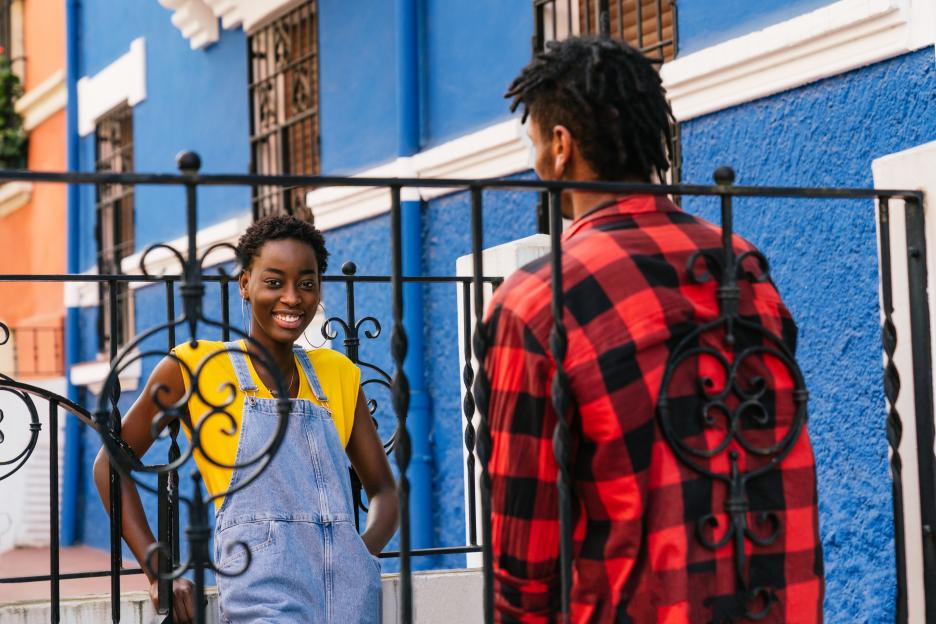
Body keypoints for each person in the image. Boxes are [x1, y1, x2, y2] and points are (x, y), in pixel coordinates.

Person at [478, 36, 824, 622]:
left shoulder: (538, 300)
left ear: (560, 146)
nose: (533, 157)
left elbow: (525, 544)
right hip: (774, 600)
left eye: (533, 138)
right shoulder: (741, 265)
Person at [93, 215, 397, 623]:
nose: (292, 298)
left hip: (351, 601)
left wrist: (360, 553)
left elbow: (385, 491)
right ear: (245, 285)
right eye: (274, 282)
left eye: (306, 284)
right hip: (263, 601)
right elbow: (110, 464)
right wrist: (158, 569)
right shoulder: (196, 366)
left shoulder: (338, 372)